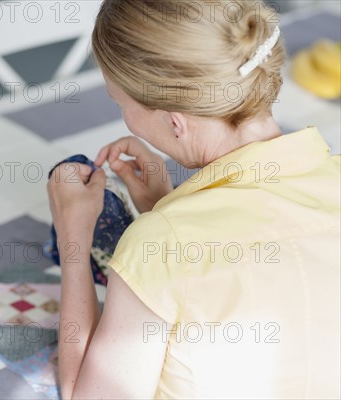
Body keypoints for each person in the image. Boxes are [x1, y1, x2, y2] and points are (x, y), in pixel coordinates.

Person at [46, 0, 341, 398]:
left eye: (122, 104)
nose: (124, 116)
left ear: (174, 121)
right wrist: (167, 207)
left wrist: (74, 241)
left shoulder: (162, 246)